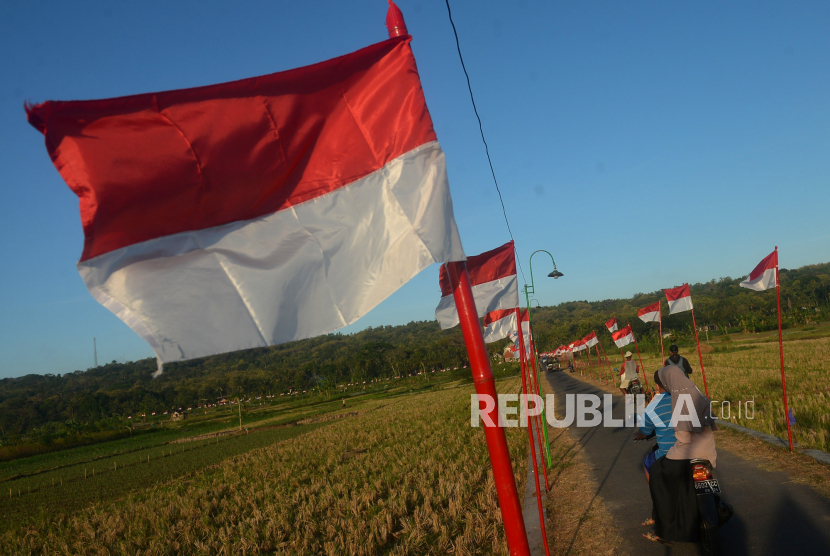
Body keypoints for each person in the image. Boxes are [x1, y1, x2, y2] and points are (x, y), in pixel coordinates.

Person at [644, 365, 719, 543]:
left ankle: (663, 530)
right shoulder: (699, 395)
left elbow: (683, 440)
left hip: (687, 452)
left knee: (656, 473)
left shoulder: (679, 400)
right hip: (708, 453)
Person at [632, 370, 676, 483]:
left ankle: (658, 496)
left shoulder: (653, 406)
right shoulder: (687, 397)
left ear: (656, 386)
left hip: (669, 453)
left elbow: (644, 433)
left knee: (647, 462)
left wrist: (637, 435)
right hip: (694, 450)